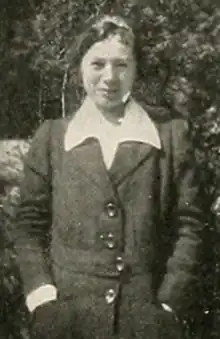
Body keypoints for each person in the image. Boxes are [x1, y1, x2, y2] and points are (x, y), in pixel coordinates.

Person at [11, 14, 205, 339]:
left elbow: (190, 225)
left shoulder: (169, 136)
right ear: (79, 69)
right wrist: (41, 297)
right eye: (97, 64)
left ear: (136, 70)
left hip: (145, 322)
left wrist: (169, 303)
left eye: (122, 65)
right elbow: (29, 225)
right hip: (67, 321)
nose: (109, 77)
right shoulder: (53, 137)